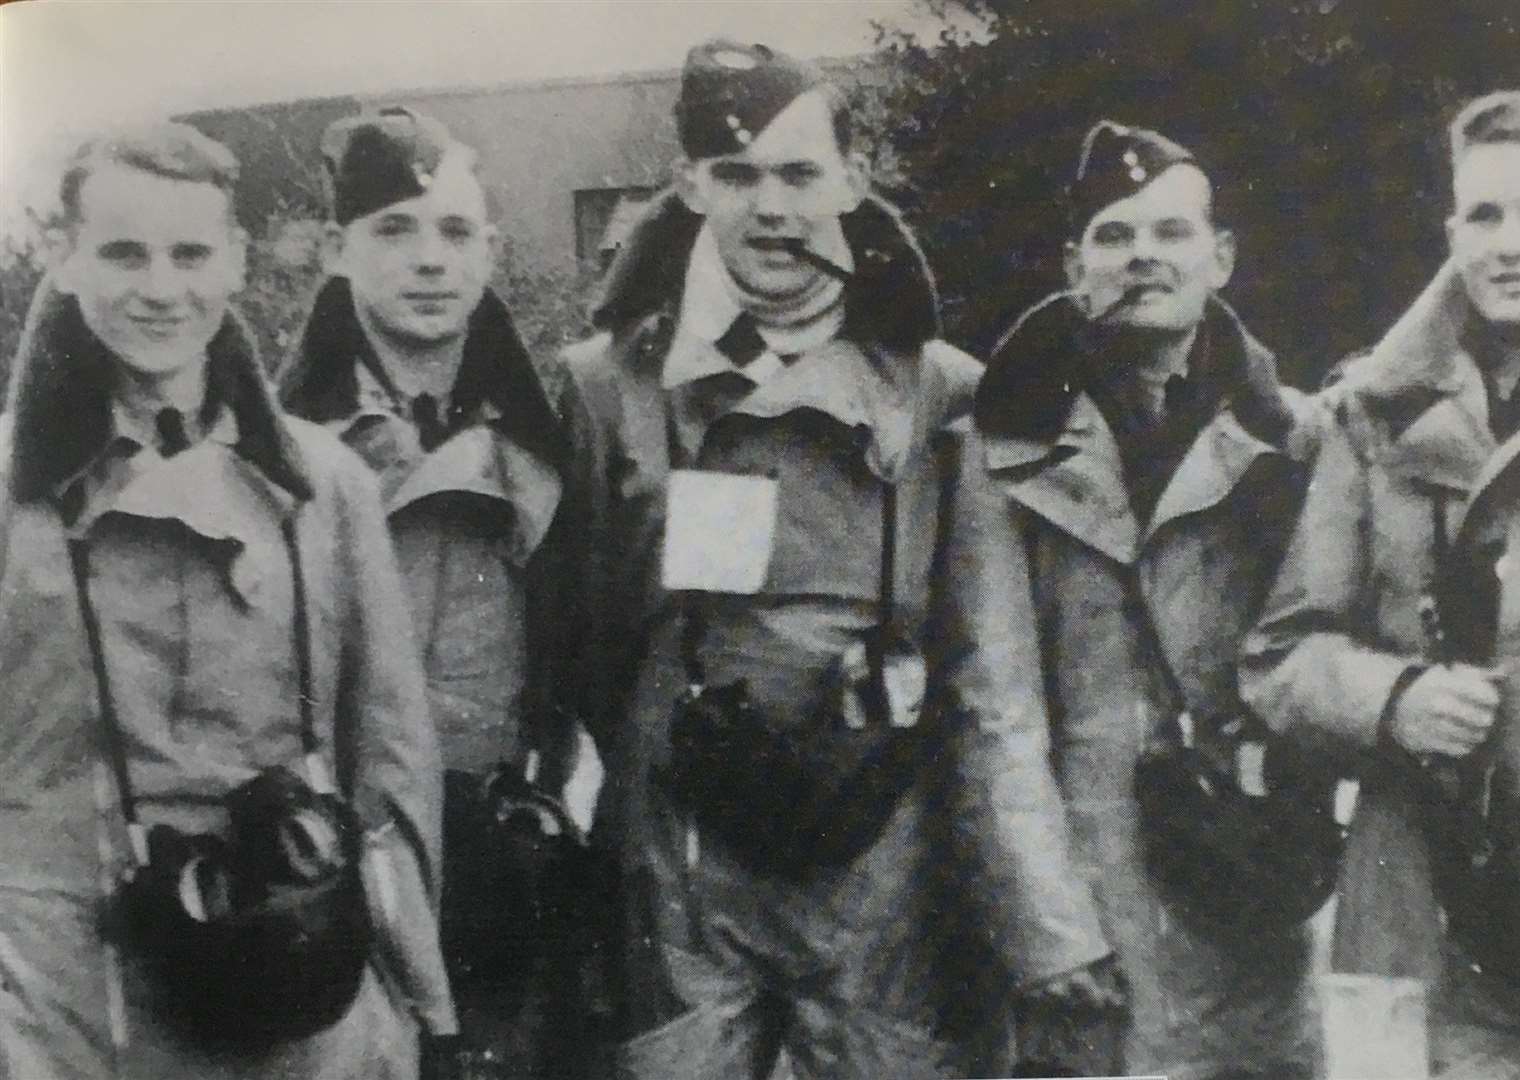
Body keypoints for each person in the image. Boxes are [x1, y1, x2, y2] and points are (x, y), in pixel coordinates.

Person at [543, 38, 997, 1079]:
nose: (772, 208)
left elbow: (977, 643)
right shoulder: (607, 389)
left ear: (854, 180)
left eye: (799, 173)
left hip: (882, 857)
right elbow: (585, 636)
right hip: (685, 864)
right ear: (690, 185)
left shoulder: (941, 390)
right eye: (736, 175)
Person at [0, 123, 452, 1079]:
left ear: (239, 263)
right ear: (64, 258)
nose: (161, 290)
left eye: (192, 253)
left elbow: (391, 758)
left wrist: (420, 999)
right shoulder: (10, 490)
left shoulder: (322, 484)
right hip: (66, 1005)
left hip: (299, 981)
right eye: (123, 253)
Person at [1243, 89, 1520, 1074]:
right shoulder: (1372, 419)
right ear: (1450, 231)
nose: (1509, 243)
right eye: (1483, 215)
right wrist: (1393, 697)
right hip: (1415, 905)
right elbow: (1279, 657)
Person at [952, 120, 1325, 1079]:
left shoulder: (1293, 439)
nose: (1142, 258)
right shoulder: (1002, 446)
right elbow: (992, 704)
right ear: (1074, 264)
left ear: (1221, 258)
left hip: (1244, 882)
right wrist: (1047, 927)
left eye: (1170, 233)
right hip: (1095, 900)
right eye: (1114, 236)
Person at [278, 108, 580, 1080]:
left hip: (507, 873)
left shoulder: (548, 443)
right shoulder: (280, 459)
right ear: (336, 249)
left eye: (454, 232)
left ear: (490, 250)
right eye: (393, 230)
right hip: (345, 881)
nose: (428, 262)